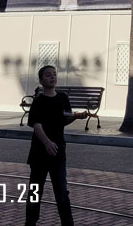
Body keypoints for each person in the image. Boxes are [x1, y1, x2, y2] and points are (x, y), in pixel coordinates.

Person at [25, 65, 87, 226]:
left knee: (61, 192)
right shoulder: (38, 101)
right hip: (39, 153)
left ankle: (68, 223)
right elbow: (36, 125)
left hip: (58, 152)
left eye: (54, 74)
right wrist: (46, 143)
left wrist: (76, 117)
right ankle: (30, 222)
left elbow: (64, 119)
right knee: (35, 190)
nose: (52, 77)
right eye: (48, 75)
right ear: (41, 80)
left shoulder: (63, 98)